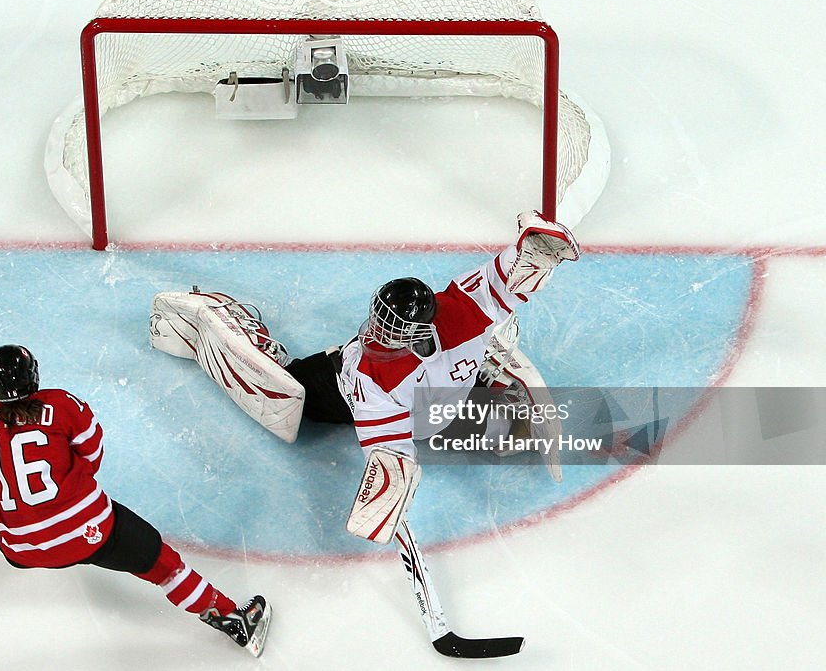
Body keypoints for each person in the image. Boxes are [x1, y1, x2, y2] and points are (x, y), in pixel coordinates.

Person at [149, 210, 578, 541]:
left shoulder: (374, 376)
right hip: (447, 401)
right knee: (497, 428)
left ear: (419, 331)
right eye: (381, 320)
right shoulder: (463, 307)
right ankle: (494, 388)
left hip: (401, 408)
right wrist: (534, 246)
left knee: (298, 388)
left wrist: (385, 496)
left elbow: (391, 450)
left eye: (392, 330)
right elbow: (510, 275)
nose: (379, 332)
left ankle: (492, 397)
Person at [0, 344, 271, 656]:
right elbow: (92, 454)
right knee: (163, 565)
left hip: (21, 549)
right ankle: (232, 619)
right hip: (90, 534)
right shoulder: (63, 404)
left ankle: (34, 530)